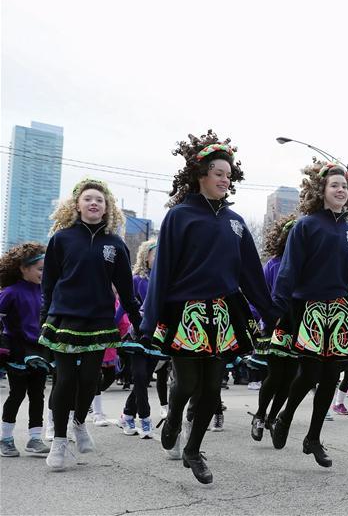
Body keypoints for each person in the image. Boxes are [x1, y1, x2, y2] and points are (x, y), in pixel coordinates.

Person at [142, 131, 275, 483]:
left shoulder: (235, 222)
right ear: (201, 174)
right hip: (185, 311)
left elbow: (250, 272)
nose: (225, 180)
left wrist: (271, 311)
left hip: (224, 313)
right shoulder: (180, 216)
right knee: (186, 384)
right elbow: (163, 270)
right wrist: (150, 319)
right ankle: (172, 420)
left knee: (213, 388)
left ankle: (193, 449)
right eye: (219, 173)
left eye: (229, 176)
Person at [269, 158, 348, 467]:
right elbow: (288, 271)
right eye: (334, 185)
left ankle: (313, 438)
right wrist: (277, 307)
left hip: (339, 310)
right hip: (307, 307)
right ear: (322, 189)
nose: (341, 190)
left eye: (344, 186)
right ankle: (284, 416)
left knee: (332, 374)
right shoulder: (306, 225)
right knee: (310, 371)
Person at [39, 178, 143, 470]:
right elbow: (48, 284)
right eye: (88, 199)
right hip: (64, 319)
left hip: (99, 321)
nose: (93, 203)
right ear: (77, 205)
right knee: (65, 380)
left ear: (107, 206)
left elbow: (126, 289)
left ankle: (79, 423)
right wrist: (44, 318)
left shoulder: (116, 244)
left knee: (90, 381)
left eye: (99, 199)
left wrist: (139, 323)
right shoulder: (62, 239)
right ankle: (59, 442)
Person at [249, 215, 299, 441]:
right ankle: (260, 415)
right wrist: (267, 318)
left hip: (300, 327)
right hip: (276, 326)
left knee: (290, 379)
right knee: (276, 375)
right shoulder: (273, 264)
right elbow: (258, 297)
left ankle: (272, 417)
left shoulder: (309, 266)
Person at [0, 243, 51, 457]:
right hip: (17, 350)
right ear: (23, 268)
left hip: (39, 350)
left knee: (38, 394)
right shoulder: (10, 293)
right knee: (17, 393)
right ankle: (6, 439)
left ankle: (35, 439)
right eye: (40, 269)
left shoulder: (46, 292)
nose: (44, 273)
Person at [118, 238, 165, 439]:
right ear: (146, 257)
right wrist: (110, 330)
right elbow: (123, 306)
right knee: (138, 377)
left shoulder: (166, 281)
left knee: (144, 377)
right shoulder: (136, 280)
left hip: (157, 335)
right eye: (156, 254)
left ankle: (127, 415)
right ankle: (145, 421)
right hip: (137, 334)